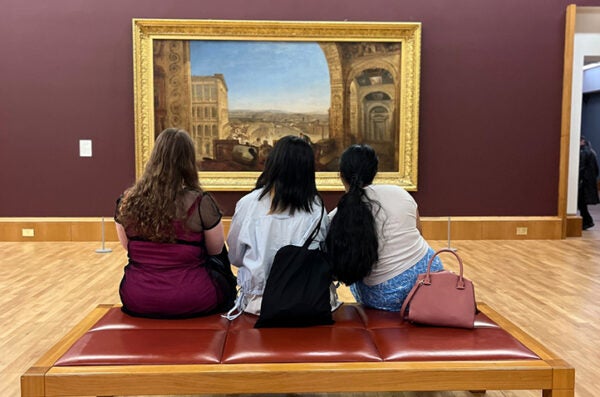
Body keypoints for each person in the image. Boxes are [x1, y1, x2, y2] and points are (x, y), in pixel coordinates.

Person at [114, 128, 228, 318]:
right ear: (189, 162)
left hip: (138, 297)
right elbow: (216, 250)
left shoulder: (127, 201)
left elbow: (127, 247)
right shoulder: (200, 203)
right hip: (194, 297)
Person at [325, 144, 443, 312]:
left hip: (385, 297)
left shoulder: (336, 217)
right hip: (430, 280)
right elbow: (419, 234)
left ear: (341, 175)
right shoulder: (400, 193)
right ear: (375, 172)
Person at [226, 135, 329, 318]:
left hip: (258, 303)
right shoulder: (316, 207)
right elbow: (323, 253)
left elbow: (235, 257)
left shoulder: (248, 204)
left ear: (273, 164)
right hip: (308, 302)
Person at [578, 136, 599, 230]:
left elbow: (581, 168)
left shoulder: (583, 152)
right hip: (589, 182)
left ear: (582, 141)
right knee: (582, 203)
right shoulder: (591, 152)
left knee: (581, 202)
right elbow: (597, 170)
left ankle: (587, 221)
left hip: (584, 182)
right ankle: (587, 221)